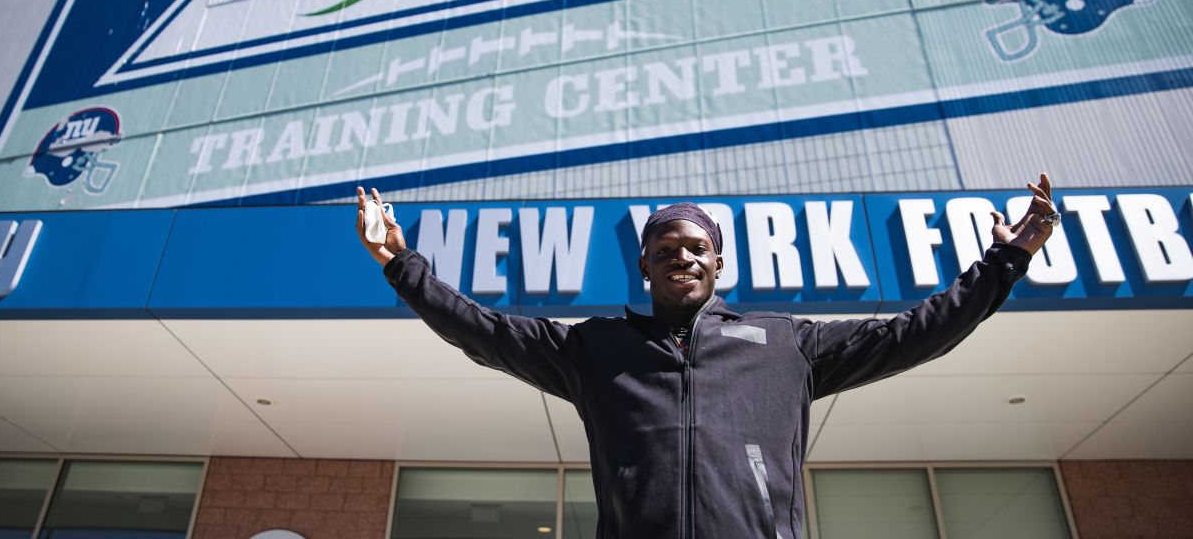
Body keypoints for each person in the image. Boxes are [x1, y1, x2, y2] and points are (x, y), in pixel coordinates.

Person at [356, 175, 1058, 539]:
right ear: (645, 267)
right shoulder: (595, 351)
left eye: (695, 248)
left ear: (718, 262)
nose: (681, 258)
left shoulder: (787, 346)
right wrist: (401, 263)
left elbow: (915, 332)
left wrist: (1003, 263)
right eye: (665, 251)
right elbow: (486, 332)